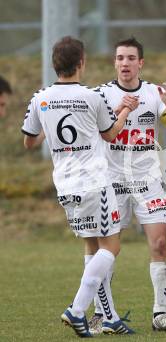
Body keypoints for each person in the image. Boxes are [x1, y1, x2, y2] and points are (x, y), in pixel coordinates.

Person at [21, 36, 135, 337]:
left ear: (54, 64)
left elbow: (29, 142)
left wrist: (47, 128)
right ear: (81, 63)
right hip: (94, 182)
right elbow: (111, 134)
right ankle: (76, 309)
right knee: (112, 246)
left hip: (66, 185)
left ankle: (108, 318)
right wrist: (125, 110)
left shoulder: (40, 98)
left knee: (91, 245)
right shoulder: (92, 96)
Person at [87, 37, 166, 333]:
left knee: (159, 242)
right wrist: (118, 110)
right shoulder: (101, 95)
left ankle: (160, 313)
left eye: (130, 58)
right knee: (108, 249)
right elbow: (92, 133)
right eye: (120, 58)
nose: (124, 63)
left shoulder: (154, 94)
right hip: (111, 181)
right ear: (114, 63)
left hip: (148, 180)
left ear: (140, 63)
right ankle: (102, 313)